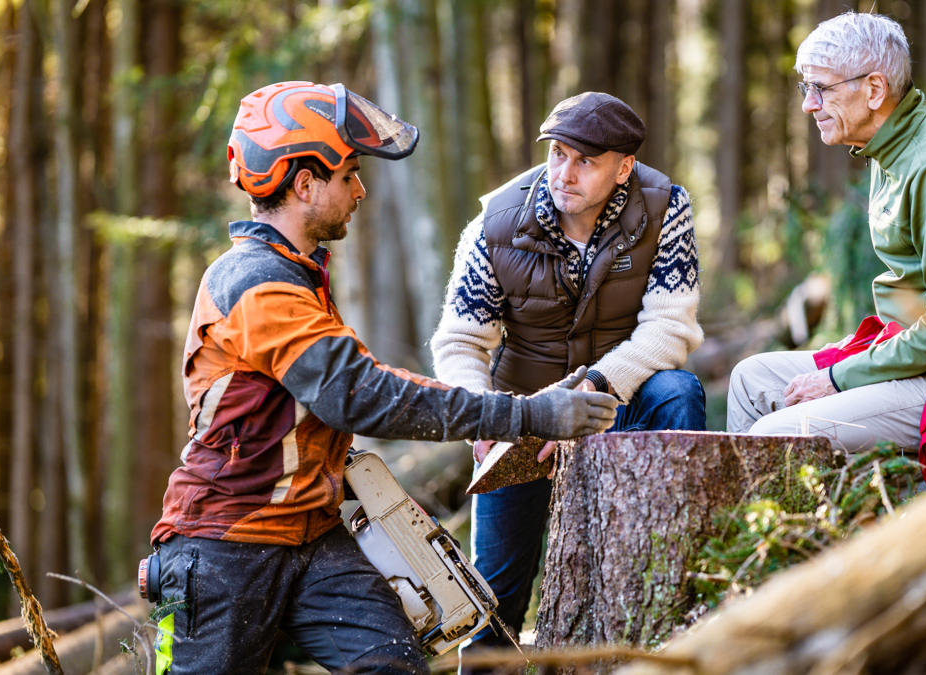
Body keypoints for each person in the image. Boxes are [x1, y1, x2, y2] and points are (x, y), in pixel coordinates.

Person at [147, 81, 620, 675]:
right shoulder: (254, 284)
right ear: (304, 185)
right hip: (222, 544)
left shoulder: (297, 277)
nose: (360, 189)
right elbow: (363, 395)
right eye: (349, 175)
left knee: (392, 666)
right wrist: (529, 414)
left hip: (312, 538)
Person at [431, 92, 706, 657]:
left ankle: (663, 579)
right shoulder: (496, 221)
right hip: (522, 416)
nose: (565, 172)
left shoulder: (665, 207)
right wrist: (483, 412)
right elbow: (461, 340)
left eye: (585, 160)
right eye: (558, 154)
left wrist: (593, 391)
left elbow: (670, 328)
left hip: (616, 395)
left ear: (623, 167)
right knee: (495, 599)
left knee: (678, 390)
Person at [727, 12, 926, 457]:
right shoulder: (891, 145)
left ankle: (789, 524)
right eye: (806, 88)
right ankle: (750, 523)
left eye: (821, 89)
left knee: (780, 431)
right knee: (750, 378)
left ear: (875, 90)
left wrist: (838, 378)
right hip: (921, 350)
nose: (808, 105)